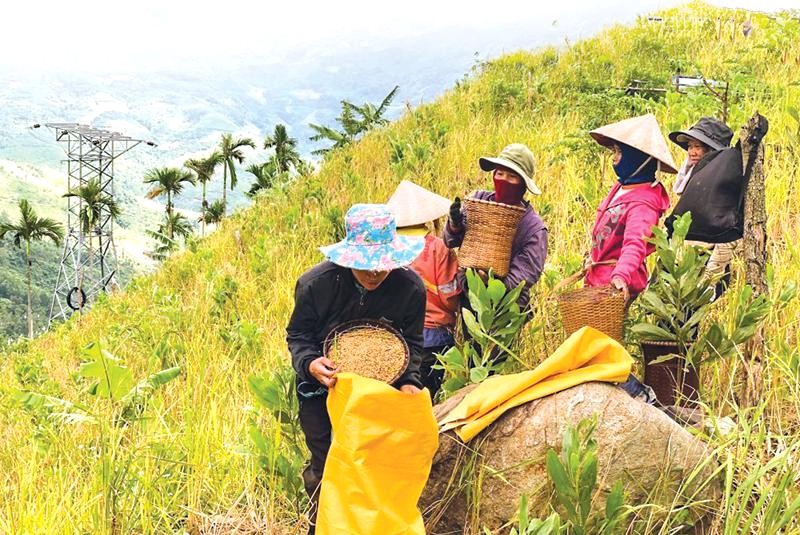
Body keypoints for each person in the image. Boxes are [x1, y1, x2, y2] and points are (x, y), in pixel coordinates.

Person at [286, 203, 426, 534]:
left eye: (383, 265)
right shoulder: (316, 284)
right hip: (321, 390)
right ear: (349, 257)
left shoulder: (410, 289)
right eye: (367, 265)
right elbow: (298, 335)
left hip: (378, 396)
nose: (376, 273)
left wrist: (408, 380)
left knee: (374, 468)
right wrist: (310, 363)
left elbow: (412, 343)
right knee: (327, 466)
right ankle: (322, 527)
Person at [444, 143, 548, 313]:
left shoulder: (533, 227)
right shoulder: (478, 201)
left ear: (523, 184)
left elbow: (527, 273)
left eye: (512, 176)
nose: (504, 180)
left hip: (507, 307)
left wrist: (491, 284)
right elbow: (449, 241)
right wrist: (454, 225)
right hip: (469, 295)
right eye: (500, 173)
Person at [585, 113, 677, 301]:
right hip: (598, 276)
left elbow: (635, 243)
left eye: (619, 152)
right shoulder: (621, 187)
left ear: (636, 158)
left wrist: (621, 276)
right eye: (614, 152)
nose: (614, 159)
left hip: (613, 285)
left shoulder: (643, 204)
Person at [387, 180, 461, 399]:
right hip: (434, 337)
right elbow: (449, 296)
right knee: (425, 397)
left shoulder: (386, 248)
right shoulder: (437, 247)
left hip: (394, 336)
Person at [669, 117, 737, 296]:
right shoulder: (693, 179)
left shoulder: (723, 186)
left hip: (706, 261)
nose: (691, 152)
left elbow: (727, 237)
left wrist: (711, 274)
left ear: (712, 150)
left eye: (698, 147)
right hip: (683, 260)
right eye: (690, 146)